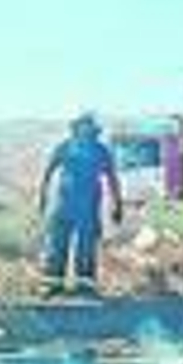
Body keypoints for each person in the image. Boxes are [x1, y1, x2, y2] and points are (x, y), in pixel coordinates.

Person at [38, 113, 123, 295]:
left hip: (89, 206)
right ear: (75, 127)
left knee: (87, 246)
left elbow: (112, 178)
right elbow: (48, 171)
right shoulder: (65, 147)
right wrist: (42, 197)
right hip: (64, 204)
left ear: (94, 130)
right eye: (82, 125)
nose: (85, 129)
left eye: (89, 126)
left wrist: (117, 205)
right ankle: (52, 284)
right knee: (57, 243)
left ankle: (84, 286)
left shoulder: (101, 151)